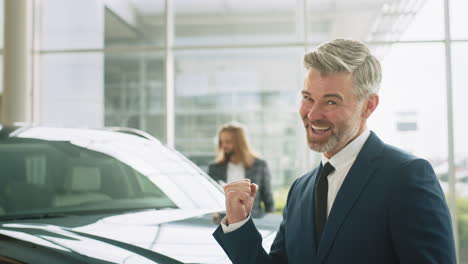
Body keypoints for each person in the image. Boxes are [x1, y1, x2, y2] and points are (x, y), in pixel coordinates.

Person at [212, 39, 456, 264]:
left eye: (331, 102)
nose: (313, 114)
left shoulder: (406, 177)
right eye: (308, 98)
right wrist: (238, 223)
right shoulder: (300, 190)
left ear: (368, 105)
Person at [208, 122, 275, 218]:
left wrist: (271, 222)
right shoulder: (214, 167)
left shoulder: (259, 165)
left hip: (253, 221)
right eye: (221, 142)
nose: (224, 145)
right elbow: (211, 198)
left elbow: (268, 198)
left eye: (228, 141)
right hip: (223, 223)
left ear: (240, 142)